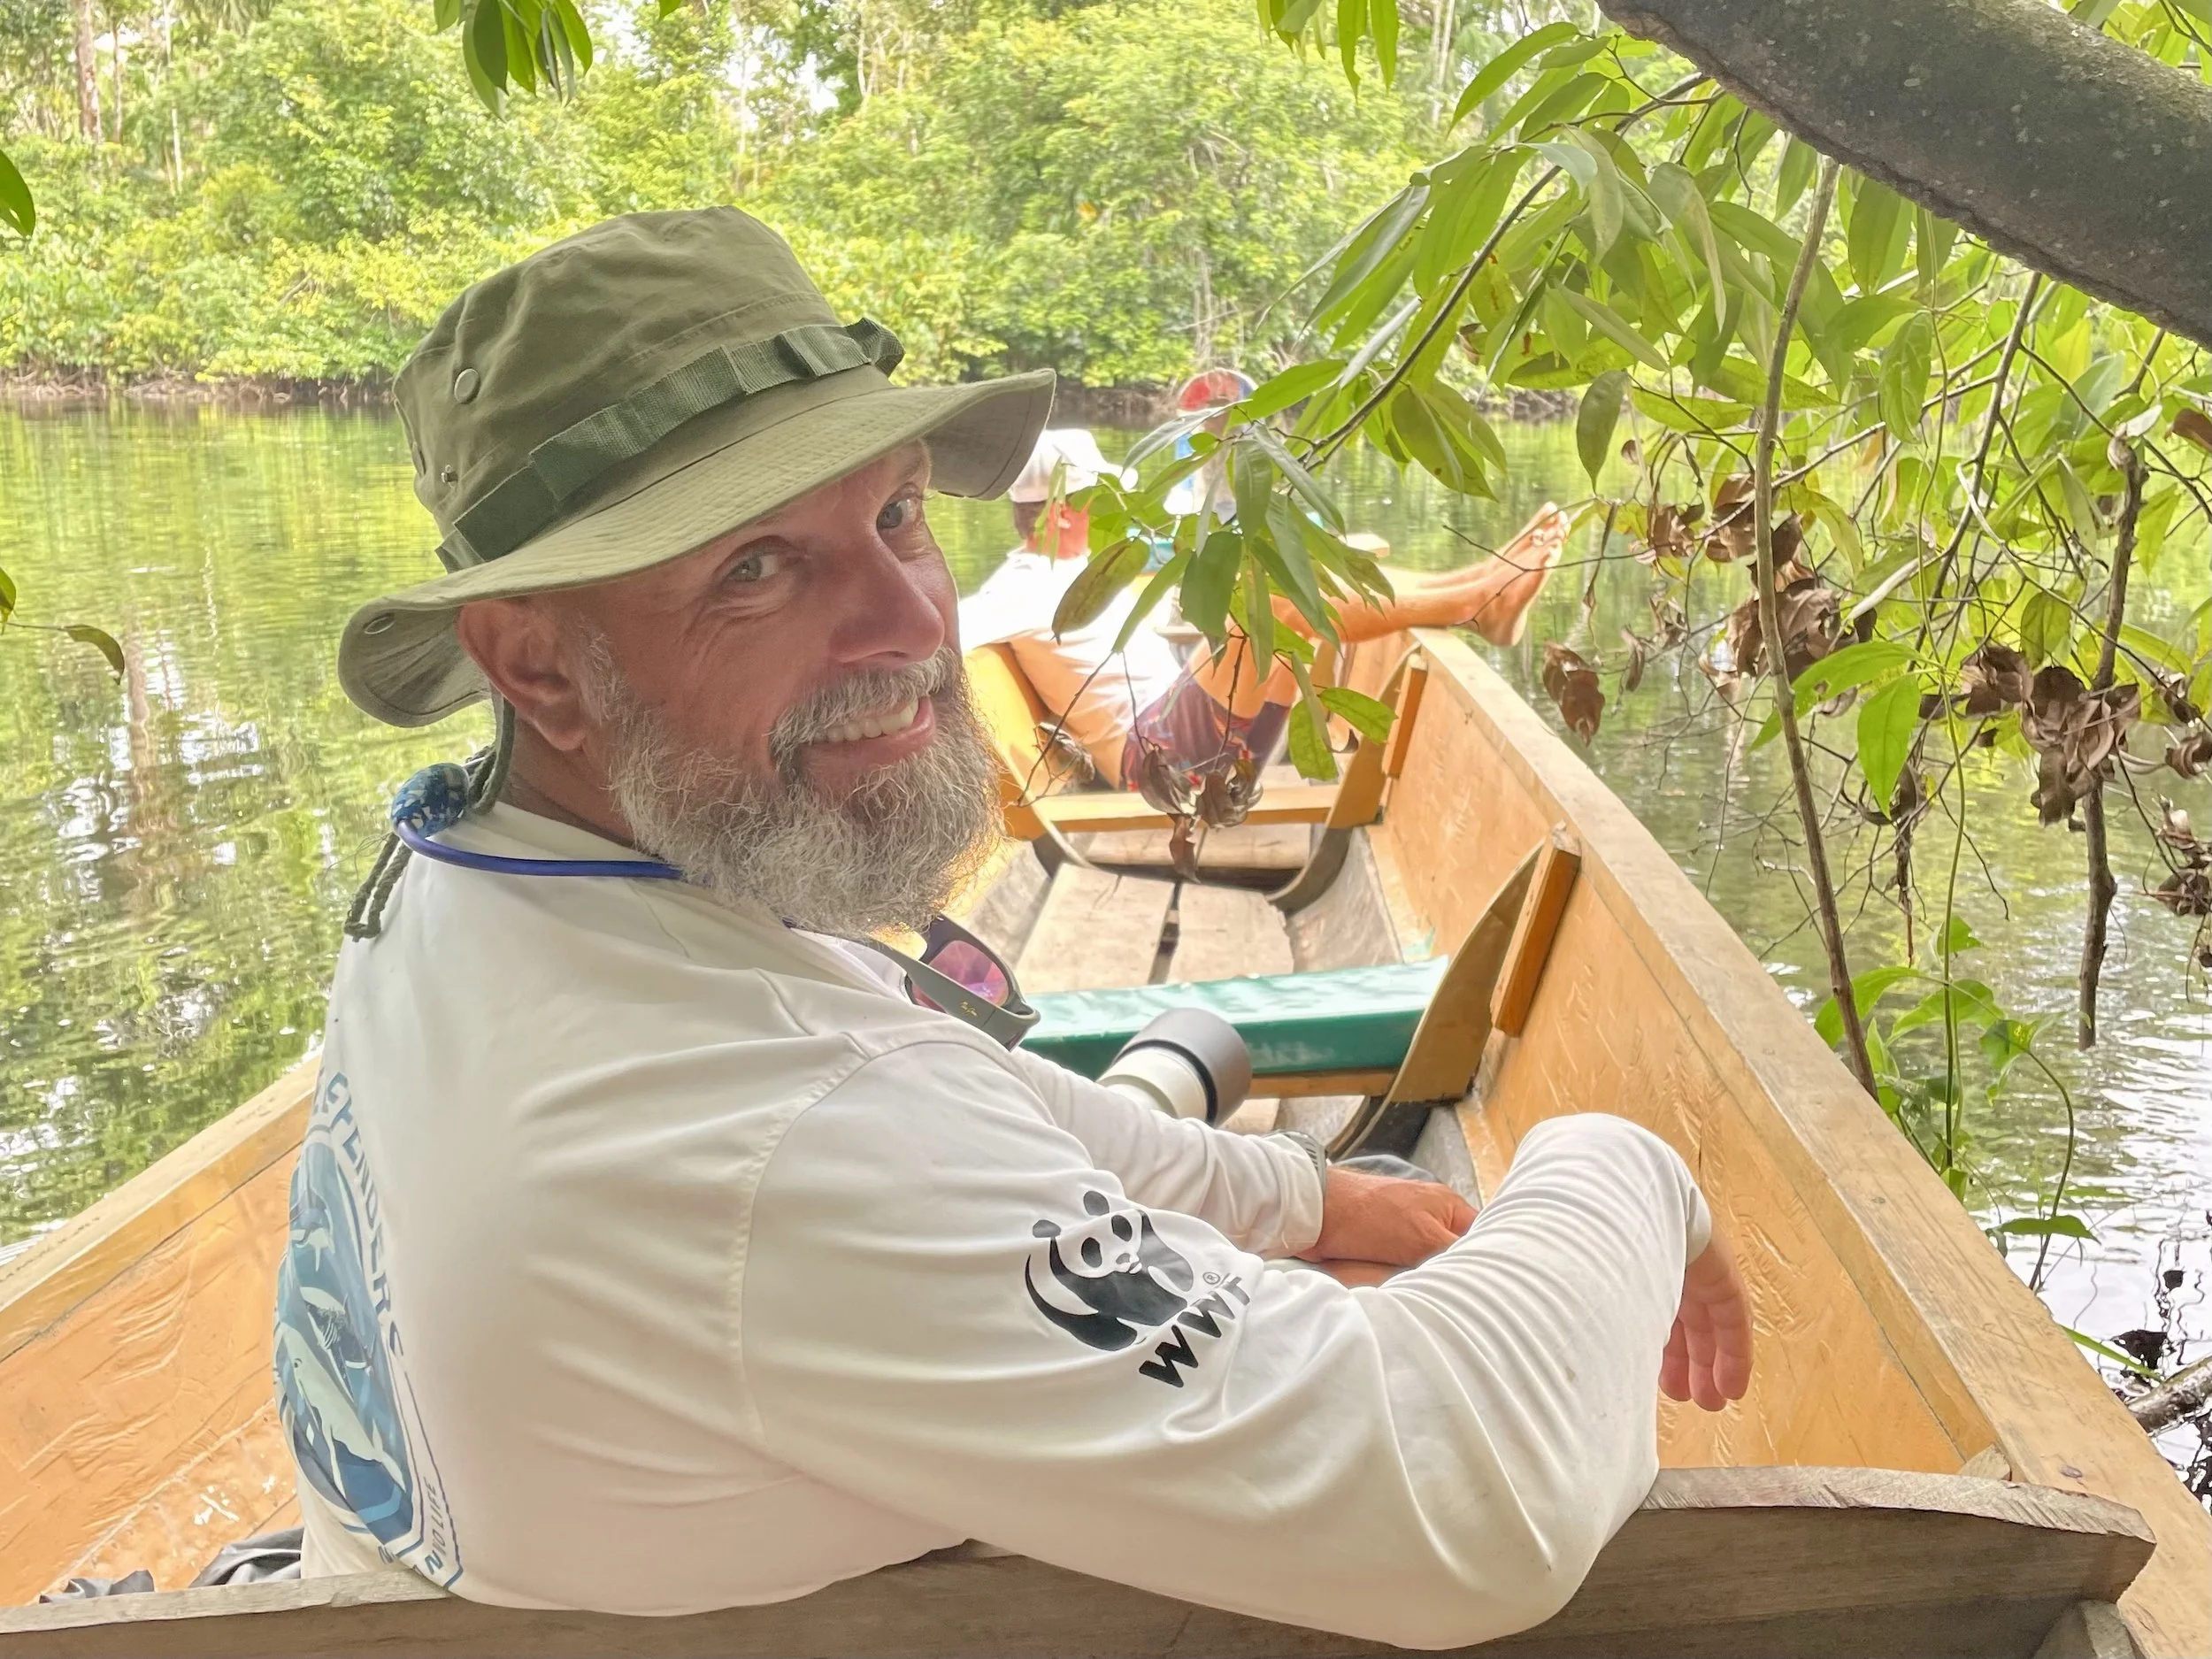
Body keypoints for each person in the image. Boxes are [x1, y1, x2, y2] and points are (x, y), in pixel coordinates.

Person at [279, 207, 1751, 1647]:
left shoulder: (465, 870)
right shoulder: (780, 1144)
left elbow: (942, 1071)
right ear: (539, 662)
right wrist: (1625, 1164)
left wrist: (1308, 1202)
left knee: (1342, 1268)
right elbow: (1467, 1504)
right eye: (757, 567)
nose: (912, 628)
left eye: (898, 514)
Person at [966, 422, 1573, 795]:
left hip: (1194, 731)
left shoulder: (1082, 572)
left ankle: (1477, 581)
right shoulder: (1019, 589)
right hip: (1156, 765)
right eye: (1100, 495)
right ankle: (1473, 604)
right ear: (1063, 511)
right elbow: (946, 635)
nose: (1114, 504)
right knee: (1275, 593)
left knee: (1318, 563)